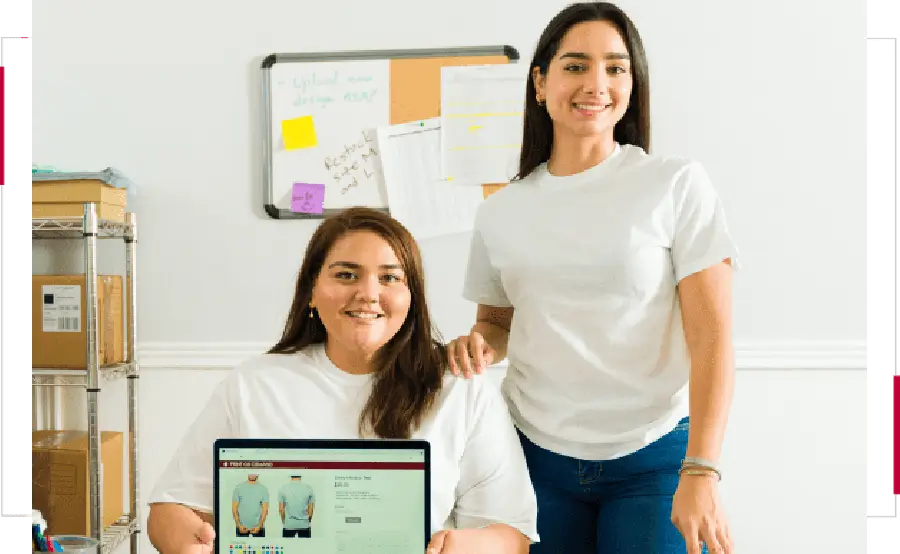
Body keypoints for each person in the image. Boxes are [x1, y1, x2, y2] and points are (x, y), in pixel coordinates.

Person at [448, 3, 739, 554]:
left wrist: (702, 468)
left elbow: (712, 335)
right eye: (576, 65)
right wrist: (477, 344)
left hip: (653, 458)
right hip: (531, 455)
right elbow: (496, 323)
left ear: (632, 85)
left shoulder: (675, 184)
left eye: (615, 67)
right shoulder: (501, 211)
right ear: (541, 83)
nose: (596, 83)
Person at [146, 207, 538, 554]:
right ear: (311, 292)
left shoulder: (461, 389)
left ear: (412, 298)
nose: (368, 294)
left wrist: (462, 546)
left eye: (389, 278)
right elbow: (170, 508)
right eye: (346, 275)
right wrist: (188, 541)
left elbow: (512, 535)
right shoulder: (253, 385)